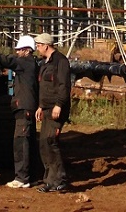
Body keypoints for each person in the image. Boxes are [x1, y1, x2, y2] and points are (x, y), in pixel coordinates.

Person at [0, 33, 39, 189]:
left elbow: (6, 60)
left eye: (20, 50)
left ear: (27, 50)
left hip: (23, 107)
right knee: (29, 142)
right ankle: (30, 176)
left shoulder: (25, 63)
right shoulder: (31, 64)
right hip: (28, 106)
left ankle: (22, 178)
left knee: (20, 142)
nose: (18, 52)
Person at [34, 31, 71, 193]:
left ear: (46, 45)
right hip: (46, 107)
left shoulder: (60, 62)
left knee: (51, 141)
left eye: (39, 45)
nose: (37, 48)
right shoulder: (45, 63)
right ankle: (49, 180)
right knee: (43, 143)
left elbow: (64, 86)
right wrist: (41, 106)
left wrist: (59, 105)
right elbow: (44, 87)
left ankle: (60, 179)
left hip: (57, 109)